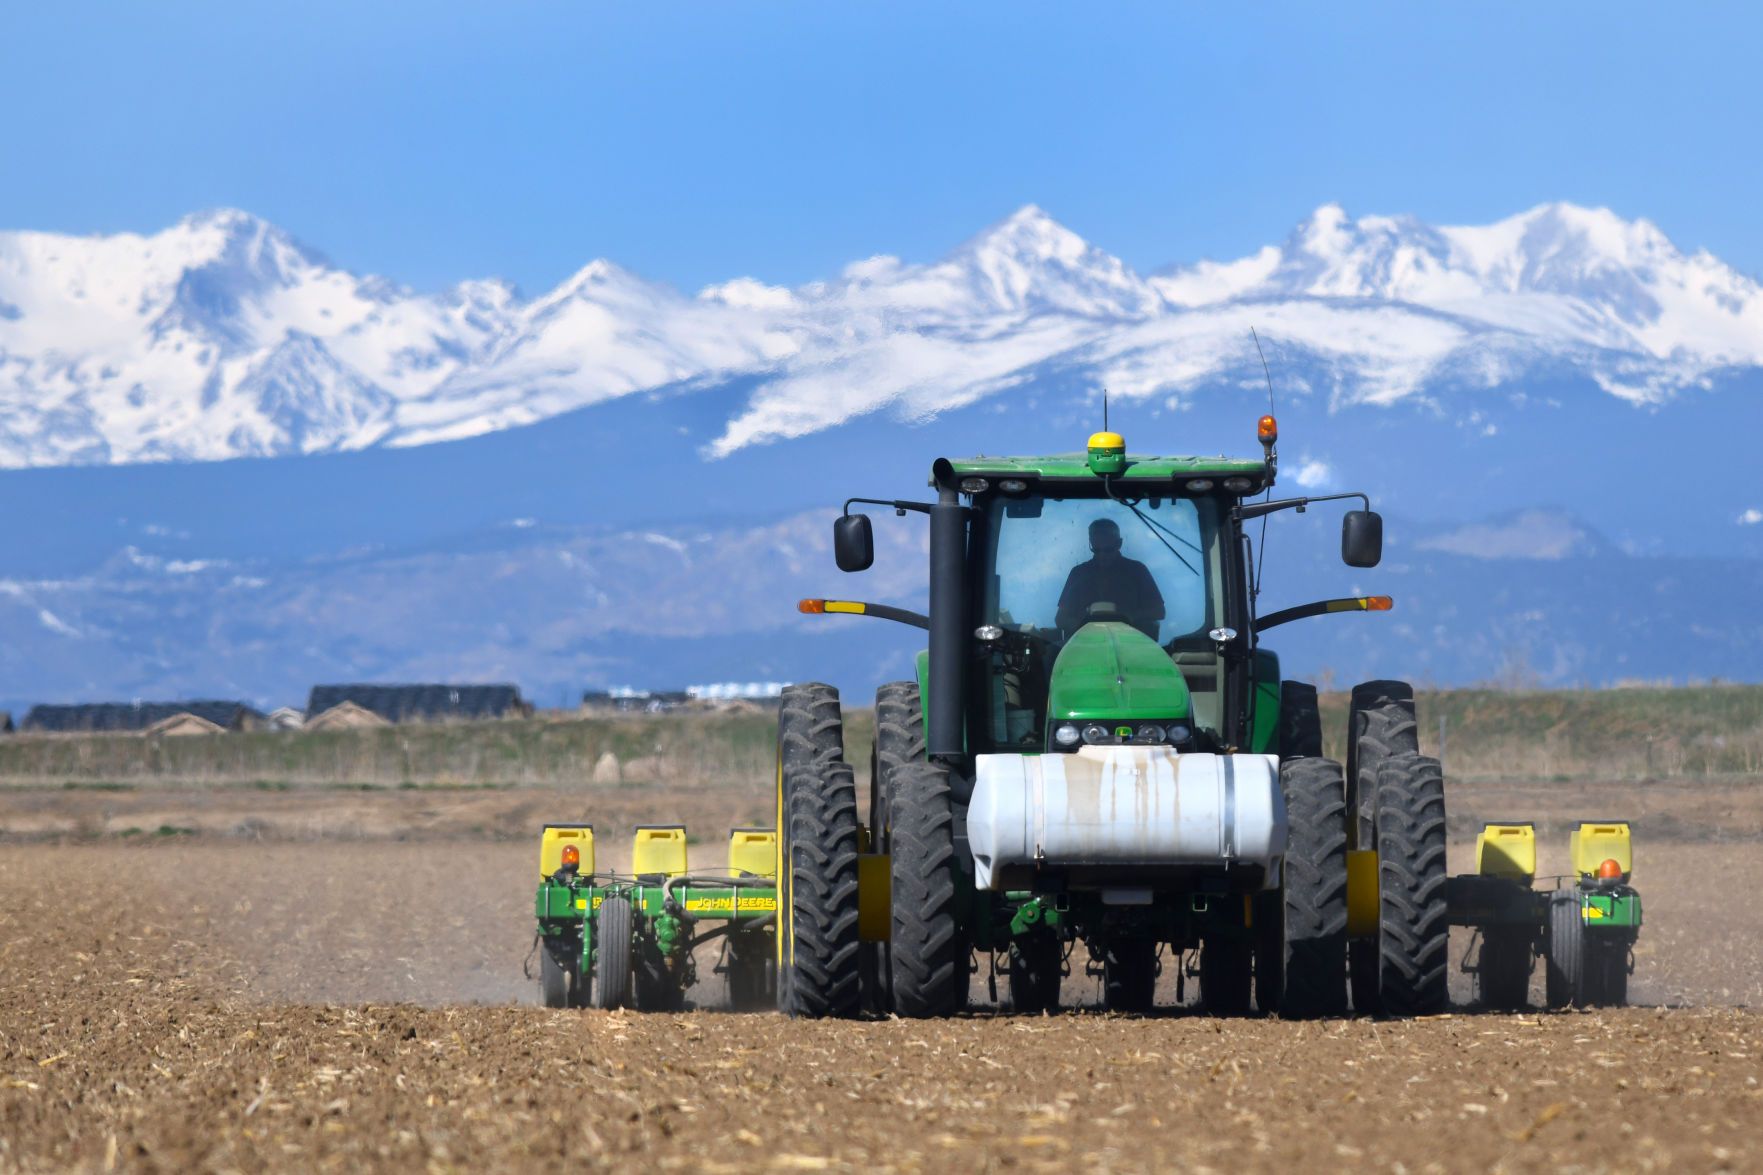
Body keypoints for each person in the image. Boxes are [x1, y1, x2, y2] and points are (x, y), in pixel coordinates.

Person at [1056, 518, 1166, 640]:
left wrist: (1130, 615)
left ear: (1119, 544)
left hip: (1131, 644)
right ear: (1090, 543)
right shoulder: (1078, 573)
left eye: (1108, 550)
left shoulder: (1137, 571)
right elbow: (1061, 619)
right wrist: (1083, 626)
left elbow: (1159, 611)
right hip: (1084, 644)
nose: (1102, 555)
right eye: (1096, 550)